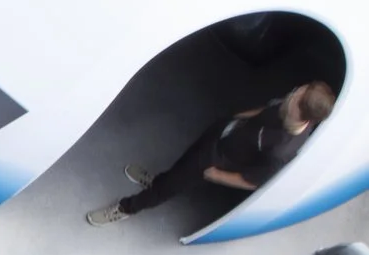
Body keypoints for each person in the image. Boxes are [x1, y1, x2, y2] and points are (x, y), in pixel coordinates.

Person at [88, 82, 338, 227]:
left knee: (169, 188)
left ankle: (127, 208)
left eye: (296, 98)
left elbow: (253, 181)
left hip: (216, 160)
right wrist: (238, 117)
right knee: (178, 168)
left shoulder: (282, 150)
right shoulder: (288, 107)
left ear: (301, 114)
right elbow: (268, 108)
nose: (292, 94)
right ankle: (158, 180)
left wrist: (215, 173)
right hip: (222, 133)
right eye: (298, 90)